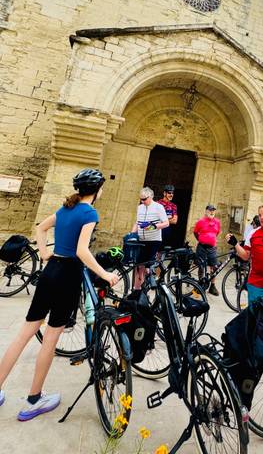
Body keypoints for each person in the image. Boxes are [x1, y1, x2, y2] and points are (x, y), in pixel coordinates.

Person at [0, 168, 119, 420]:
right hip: (68, 277)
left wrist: (44, 254)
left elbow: (40, 228)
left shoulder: (65, 208)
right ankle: (33, 399)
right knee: (51, 338)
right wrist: (106, 275)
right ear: (97, 190)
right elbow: (82, 251)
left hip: (50, 271)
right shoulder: (90, 212)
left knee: (24, 334)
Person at [131, 187, 169, 288]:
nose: (142, 201)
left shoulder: (158, 207)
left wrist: (154, 226)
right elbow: (137, 222)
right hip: (141, 240)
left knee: (145, 266)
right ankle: (137, 290)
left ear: (151, 196)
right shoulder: (140, 207)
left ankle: (147, 284)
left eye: (144, 199)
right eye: (141, 199)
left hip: (154, 241)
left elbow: (166, 223)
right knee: (138, 266)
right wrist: (131, 234)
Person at [193, 205, 221, 296]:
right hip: (202, 247)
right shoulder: (200, 222)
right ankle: (200, 285)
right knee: (201, 267)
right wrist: (201, 240)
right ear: (206, 211)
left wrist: (210, 240)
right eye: (210, 210)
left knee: (214, 266)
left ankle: (212, 286)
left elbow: (217, 233)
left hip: (212, 248)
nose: (212, 212)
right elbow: (195, 232)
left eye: (213, 211)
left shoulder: (217, 222)